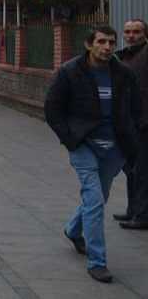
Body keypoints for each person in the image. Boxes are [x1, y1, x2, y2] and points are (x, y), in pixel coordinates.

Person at [46, 26, 140, 283]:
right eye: (101, 42)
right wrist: (69, 139)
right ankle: (97, 261)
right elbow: (53, 109)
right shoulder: (70, 72)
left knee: (99, 196)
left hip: (115, 148)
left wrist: (133, 136)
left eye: (111, 42)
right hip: (84, 145)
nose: (107, 47)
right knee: (95, 199)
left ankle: (72, 229)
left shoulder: (123, 74)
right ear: (89, 44)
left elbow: (136, 108)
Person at [114, 19, 148, 228]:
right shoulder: (122, 56)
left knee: (143, 171)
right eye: (127, 31)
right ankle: (132, 210)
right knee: (130, 169)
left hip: (144, 122)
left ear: (144, 34)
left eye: (136, 31)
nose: (131, 35)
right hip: (126, 122)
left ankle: (143, 216)